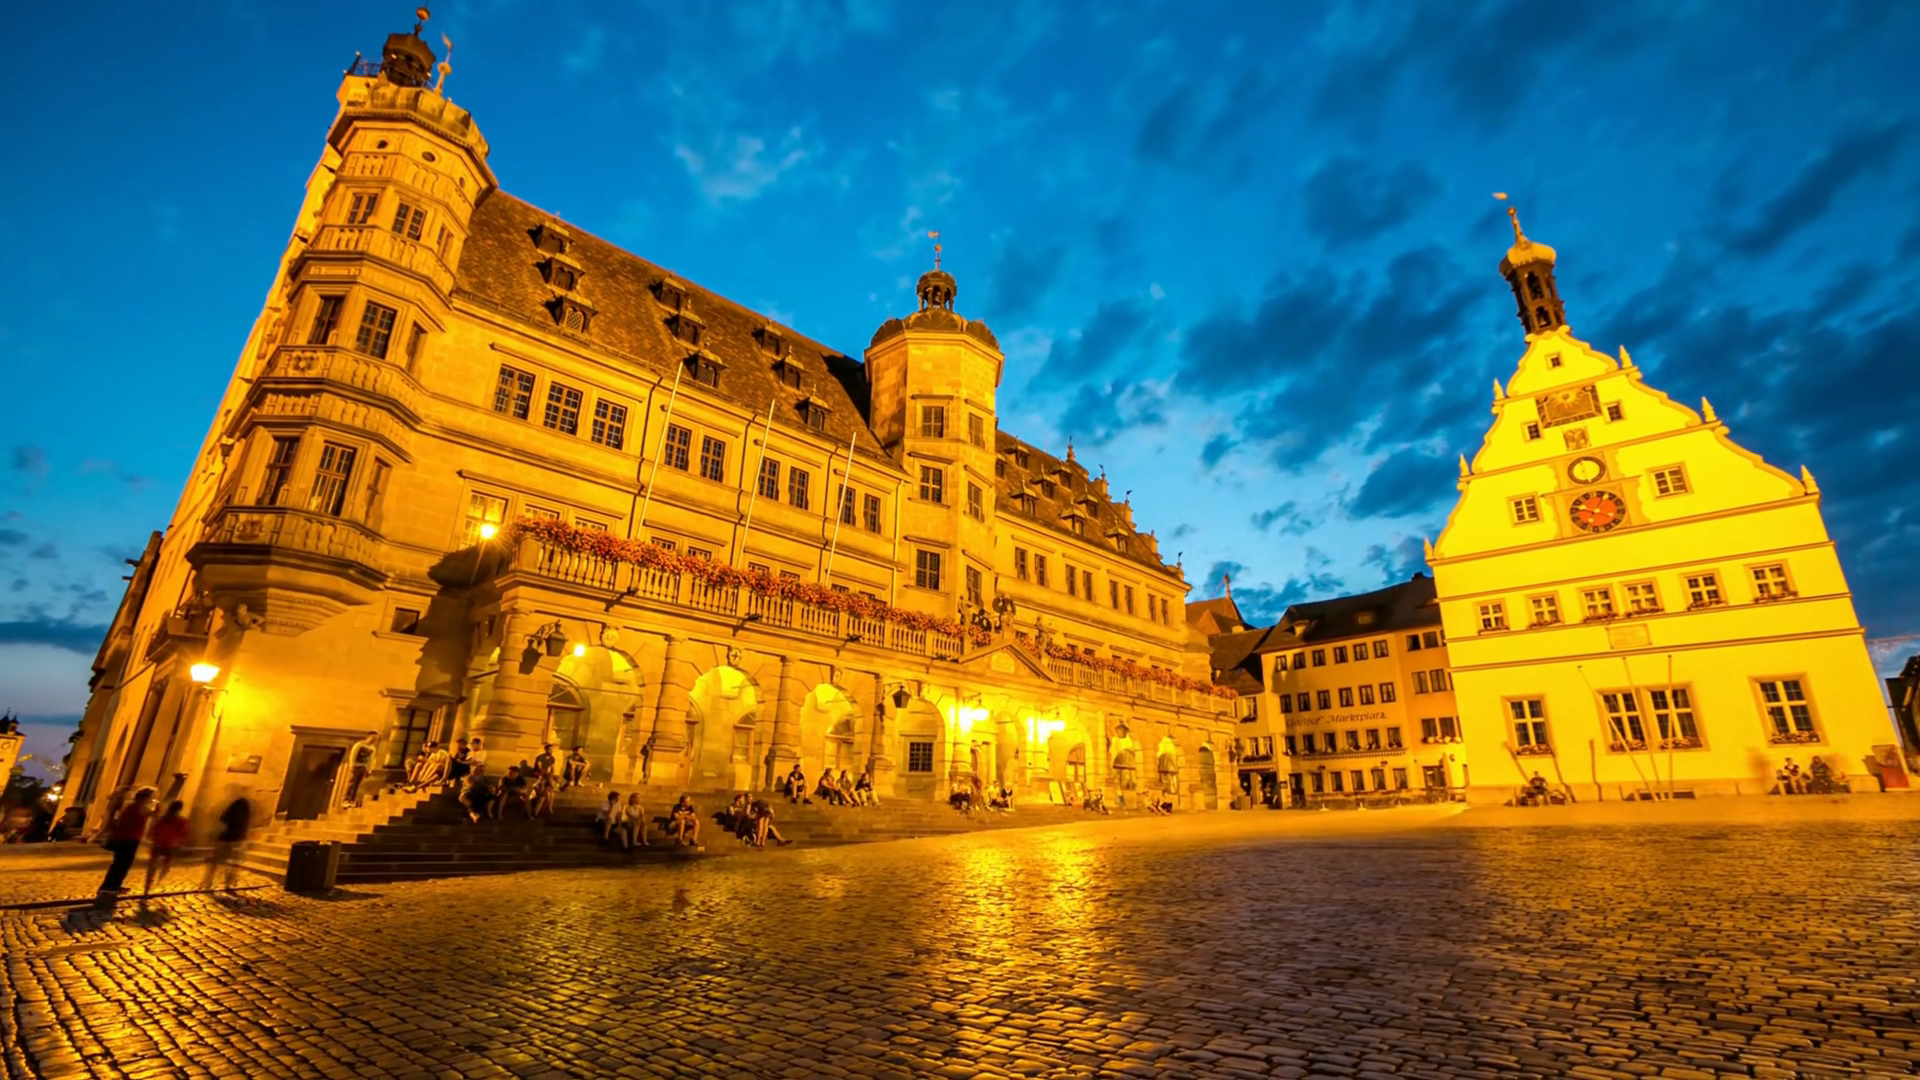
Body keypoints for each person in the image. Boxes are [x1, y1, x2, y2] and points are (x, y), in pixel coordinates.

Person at [98, 788, 155, 895]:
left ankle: (111, 886)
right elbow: (150, 814)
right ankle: (111, 887)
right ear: (145, 798)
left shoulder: (132, 806)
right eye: (150, 797)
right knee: (122, 865)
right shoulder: (137, 807)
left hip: (125, 838)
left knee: (119, 864)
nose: (151, 800)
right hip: (128, 840)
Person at [203, 792, 253, 891]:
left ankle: (208, 882)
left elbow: (222, 825)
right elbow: (244, 829)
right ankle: (228, 883)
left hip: (224, 840)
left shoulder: (228, 813)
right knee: (231, 863)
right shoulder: (244, 816)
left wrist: (215, 835)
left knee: (215, 862)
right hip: (235, 841)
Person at [143, 799, 190, 895]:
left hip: (158, 843)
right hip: (170, 845)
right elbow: (184, 833)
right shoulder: (182, 820)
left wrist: (153, 837)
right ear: (180, 809)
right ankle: (160, 879)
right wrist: (179, 842)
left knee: (152, 866)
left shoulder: (162, 818)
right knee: (167, 863)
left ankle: (147, 886)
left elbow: (154, 829)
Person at [342, 730, 379, 807]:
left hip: (364, 767)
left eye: (376, 738)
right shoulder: (359, 745)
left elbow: (371, 759)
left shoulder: (372, 748)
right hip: (356, 766)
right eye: (373, 737)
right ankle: (346, 799)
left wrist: (369, 770)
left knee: (357, 784)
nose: (374, 740)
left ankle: (352, 800)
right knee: (352, 783)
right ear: (369, 737)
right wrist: (352, 765)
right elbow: (353, 755)